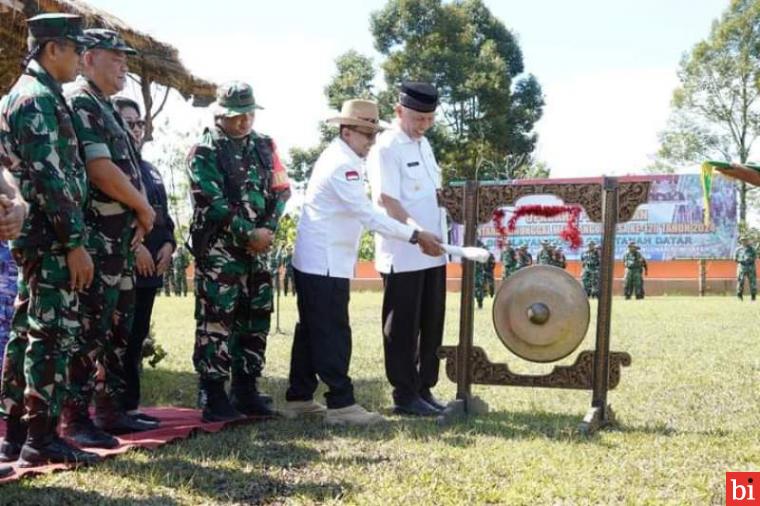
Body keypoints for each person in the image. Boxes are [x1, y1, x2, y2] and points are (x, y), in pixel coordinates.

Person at [283, 99, 442, 425]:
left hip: (320, 260)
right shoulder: (344, 165)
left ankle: (299, 396)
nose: (371, 142)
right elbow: (370, 215)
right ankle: (341, 404)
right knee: (332, 331)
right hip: (324, 262)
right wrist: (415, 235)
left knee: (312, 330)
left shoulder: (340, 156)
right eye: (365, 134)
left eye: (373, 134)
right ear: (346, 130)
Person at [0, 13, 100, 466]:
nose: (81, 58)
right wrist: (74, 242)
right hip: (51, 238)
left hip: (42, 235)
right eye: (77, 49)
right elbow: (49, 179)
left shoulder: (38, 94)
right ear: (53, 49)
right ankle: (40, 439)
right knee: (51, 334)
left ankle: (17, 434)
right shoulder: (36, 98)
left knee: (27, 331)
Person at [63, 28, 159, 448]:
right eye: (114, 57)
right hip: (97, 238)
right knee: (89, 329)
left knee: (116, 329)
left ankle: (109, 409)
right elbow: (100, 170)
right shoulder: (81, 102)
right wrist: (143, 206)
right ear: (87, 58)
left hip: (119, 241)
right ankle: (75, 417)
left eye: (125, 58)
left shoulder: (103, 105)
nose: (123, 65)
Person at [187, 81, 290, 422]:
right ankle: (214, 394)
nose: (244, 122)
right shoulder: (205, 150)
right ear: (220, 114)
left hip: (257, 250)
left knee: (255, 316)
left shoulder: (265, 145)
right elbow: (212, 203)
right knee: (217, 320)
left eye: (248, 114)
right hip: (220, 250)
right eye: (236, 116)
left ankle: (246, 389)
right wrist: (249, 232)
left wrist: (269, 229)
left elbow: (282, 190)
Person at [367, 82, 448, 417]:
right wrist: (417, 233)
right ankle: (404, 392)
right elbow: (386, 200)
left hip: (435, 251)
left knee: (432, 322)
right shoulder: (386, 147)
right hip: (404, 252)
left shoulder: (425, 144)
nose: (423, 125)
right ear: (399, 111)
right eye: (417, 118)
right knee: (402, 327)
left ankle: (424, 387)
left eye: (429, 119)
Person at [113, 95, 175, 425]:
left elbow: (163, 216)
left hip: (151, 271)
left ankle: (130, 406)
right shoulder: (108, 167)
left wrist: (168, 243)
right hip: (122, 266)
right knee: (117, 340)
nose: (136, 129)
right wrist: (132, 247)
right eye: (128, 122)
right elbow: (107, 215)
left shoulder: (149, 170)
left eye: (139, 123)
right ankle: (112, 407)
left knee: (136, 339)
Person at [734, 236, 757, 301]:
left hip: (751, 267)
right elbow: (735, 259)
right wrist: (741, 260)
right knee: (740, 282)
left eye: (745, 240)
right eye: (743, 240)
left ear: (748, 241)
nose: (744, 241)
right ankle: (739, 296)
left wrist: (749, 260)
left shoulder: (752, 249)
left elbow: (755, 257)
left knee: (752, 282)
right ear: (741, 241)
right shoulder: (738, 250)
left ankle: (753, 297)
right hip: (741, 267)